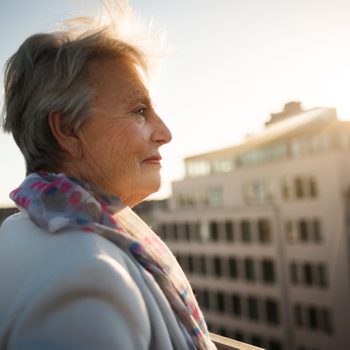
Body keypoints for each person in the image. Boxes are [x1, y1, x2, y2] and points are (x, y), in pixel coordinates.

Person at [0, 2, 216, 349]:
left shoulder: (19, 229)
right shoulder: (89, 278)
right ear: (68, 129)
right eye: (139, 111)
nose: (165, 132)